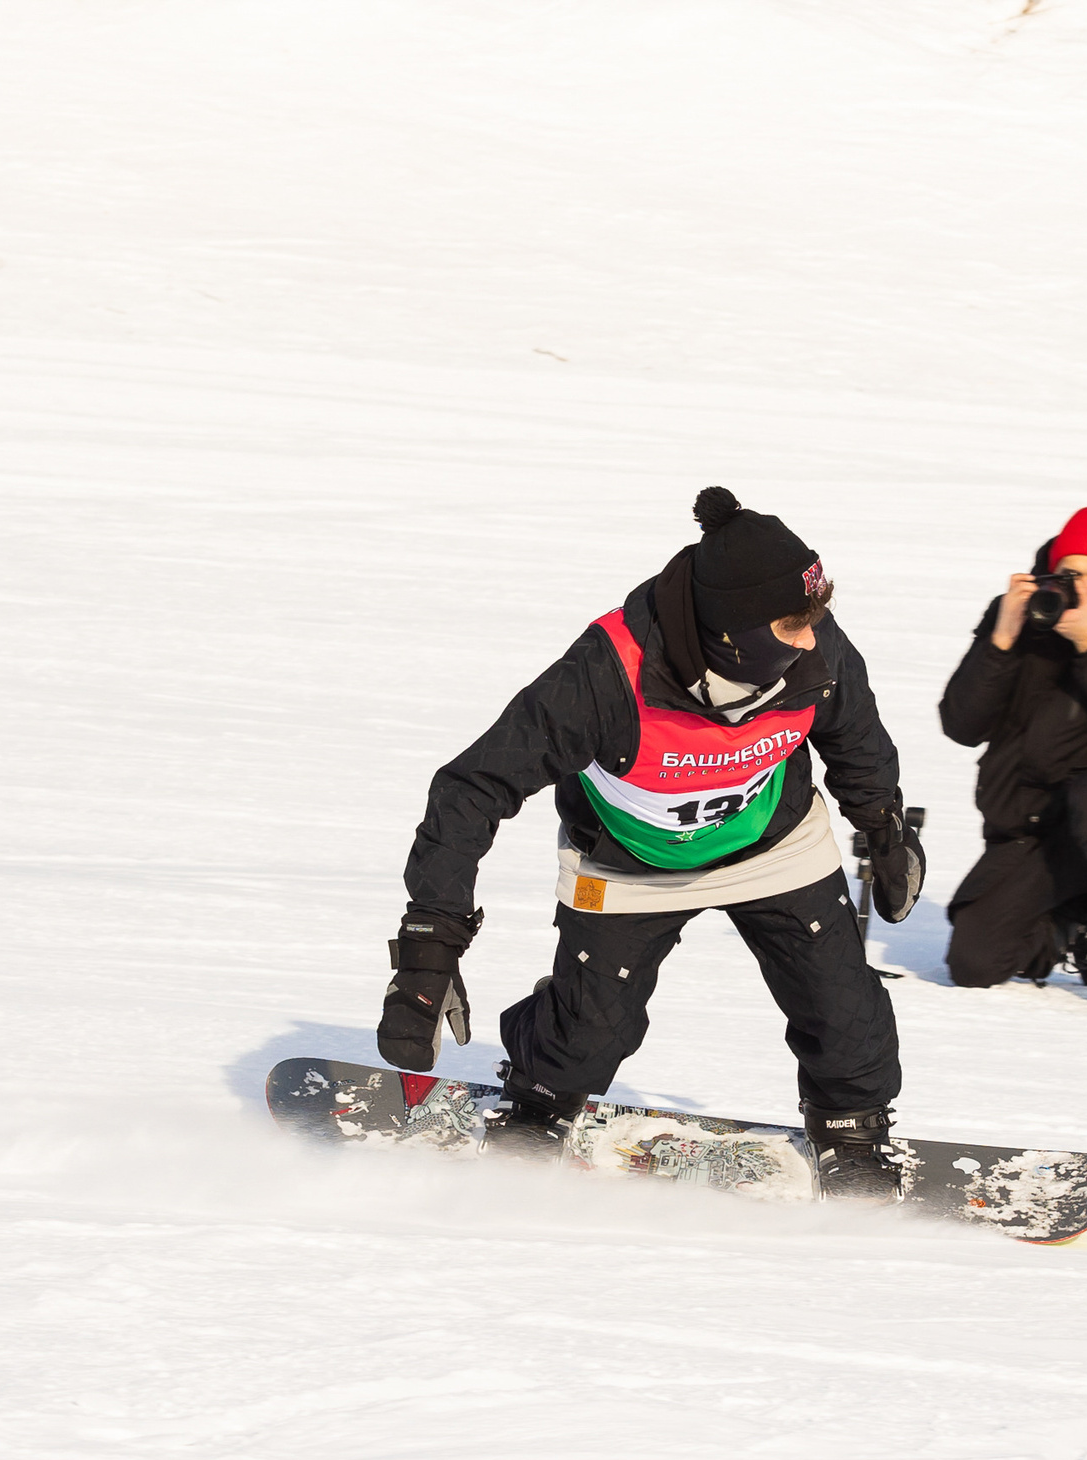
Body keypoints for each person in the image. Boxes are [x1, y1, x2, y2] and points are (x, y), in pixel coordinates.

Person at [374, 487, 925, 1195]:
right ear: (732, 630)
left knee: (844, 1008)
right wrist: (428, 950)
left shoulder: (815, 652)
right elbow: (472, 786)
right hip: (629, 864)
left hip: (774, 846)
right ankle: (542, 1095)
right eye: (794, 623)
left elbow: (856, 735)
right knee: (583, 1042)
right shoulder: (605, 674)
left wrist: (883, 827)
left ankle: (852, 1128)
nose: (814, 637)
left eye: (816, 618)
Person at [938, 504, 1087, 1016]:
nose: (1083, 588)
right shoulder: (1022, 613)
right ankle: (1076, 925)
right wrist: (1000, 639)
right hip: (1032, 827)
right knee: (974, 963)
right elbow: (961, 725)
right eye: (1071, 574)